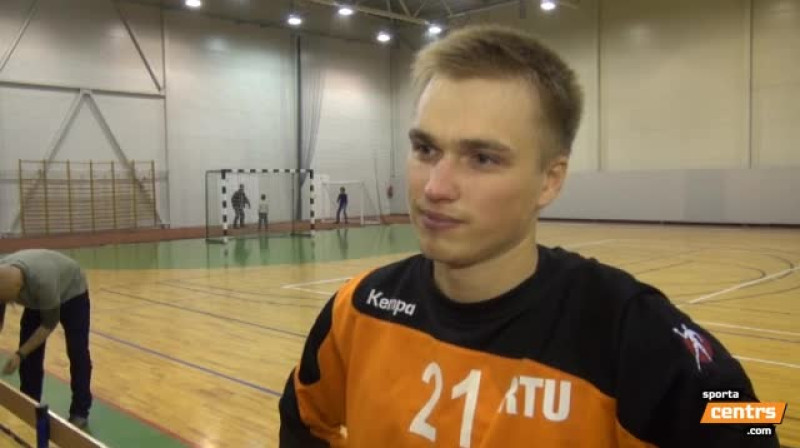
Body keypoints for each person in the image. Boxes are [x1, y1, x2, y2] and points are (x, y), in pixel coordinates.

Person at [278, 25, 778, 447]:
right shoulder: (359, 310)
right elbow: (303, 418)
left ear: (550, 181)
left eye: (482, 158)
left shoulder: (627, 331)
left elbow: (750, 422)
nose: (435, 187)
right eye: (426, 149)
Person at [0, 249, 92, 429]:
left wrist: (19, 354)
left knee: (77, 352)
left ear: (19, 290)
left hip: (72, 294)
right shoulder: (3, 273)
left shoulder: (43, 283)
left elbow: (48, 325)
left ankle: (80, 411)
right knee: (29, 357)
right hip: (36, 296)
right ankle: (29, 404)